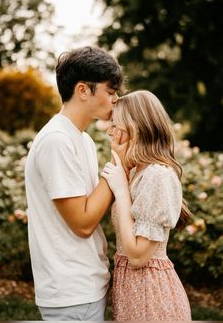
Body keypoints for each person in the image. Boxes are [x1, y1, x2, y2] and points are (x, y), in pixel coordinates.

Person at [24, 46, 123, 321]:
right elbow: (82, 222)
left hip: (87, 285)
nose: (115, 99)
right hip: (71, 292)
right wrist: (119, 164)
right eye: (110, 91)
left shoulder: (83, 140)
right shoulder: (57, 140)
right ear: (83, 90)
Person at [101, 90, 192, 321]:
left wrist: (121, 190)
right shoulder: (135, 172)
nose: (110, 131)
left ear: (137, 127)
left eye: (115, 124)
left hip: (151, 297)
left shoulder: (157, 175)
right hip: (132, 293)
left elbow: (139, 257)